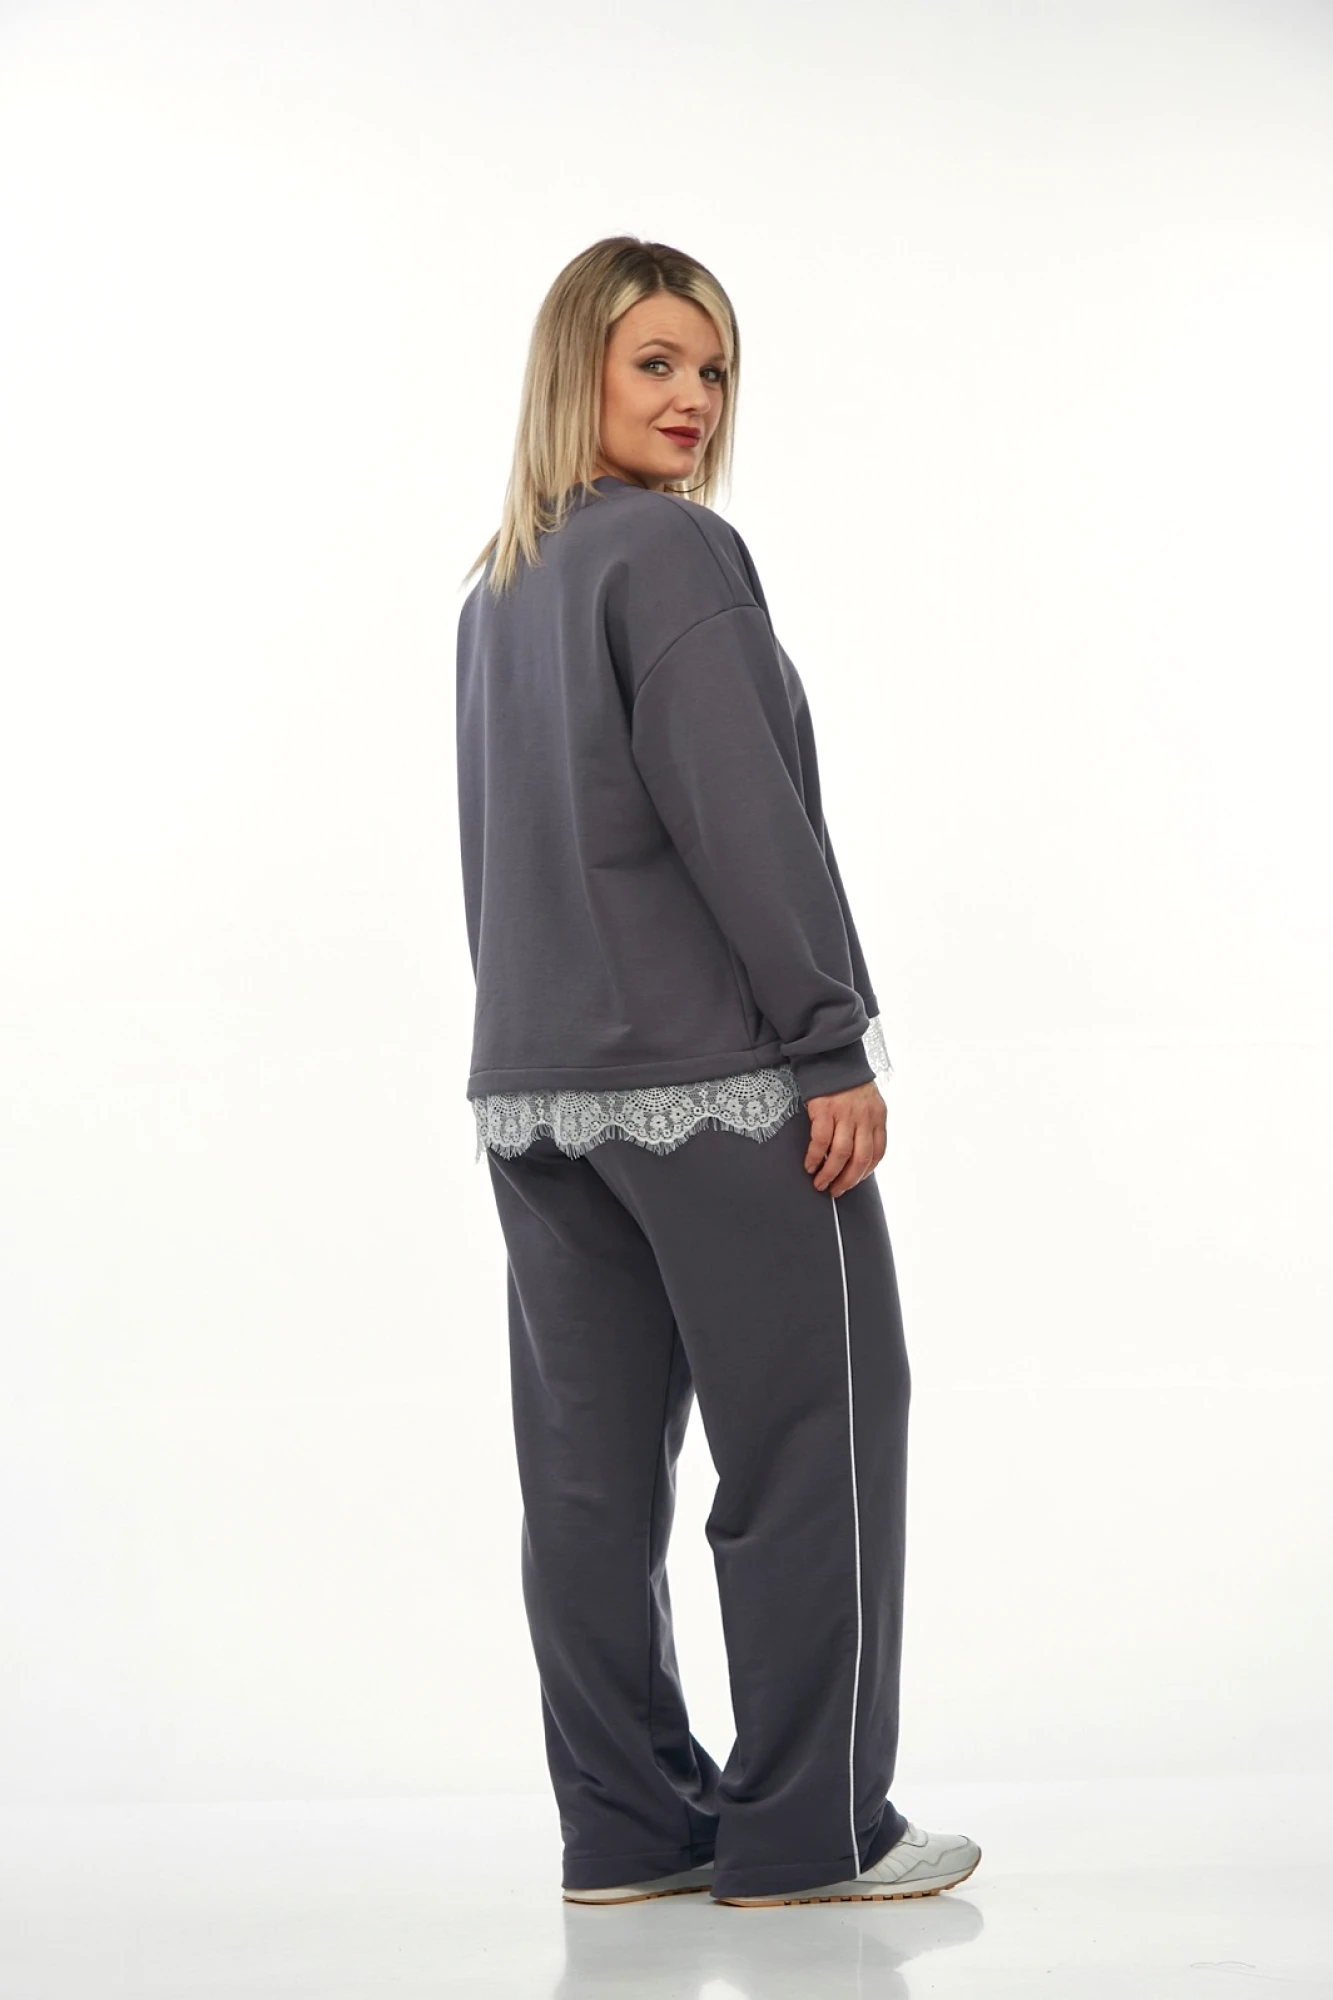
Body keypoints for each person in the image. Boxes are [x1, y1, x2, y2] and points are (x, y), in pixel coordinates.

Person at [455, 235, 981, 1909]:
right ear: (579, 373)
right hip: (716, 1089)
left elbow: (499, 858)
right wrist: (828, 1038)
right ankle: (808, 1833)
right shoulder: (675, 554)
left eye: (716, 371)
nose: (695, 400)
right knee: (818, 1431)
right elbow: (741, 814)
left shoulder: (496, 587)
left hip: (537, 1094)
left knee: (589, 1478)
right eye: (659, 364)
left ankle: (624, 1828)